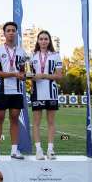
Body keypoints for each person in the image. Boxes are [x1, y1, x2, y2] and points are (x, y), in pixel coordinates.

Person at [0, 21, 28, 160]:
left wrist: (24, 76)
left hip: (17, 91)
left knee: (14, 120)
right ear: (4, 33)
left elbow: (23, 72)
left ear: (16, 33)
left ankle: (14, 150)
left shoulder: (22, 51)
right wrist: (14, 74)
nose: (11, 32)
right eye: (8, 30)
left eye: (13, 30)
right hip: (2, 90)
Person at [30, 30, 63, 160]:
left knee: (51, 122)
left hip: (51, 92)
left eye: (46, 39)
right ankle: (38, 150)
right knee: (36, 122)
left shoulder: (55, 55)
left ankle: (50, 149)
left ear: (49, 41)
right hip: (37, 92)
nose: (43, 41)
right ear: (38, 41)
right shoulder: (32, 56)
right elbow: (30, 75)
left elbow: (59, 76)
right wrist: (31, 79)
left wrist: (43, 75)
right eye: (41, 39)